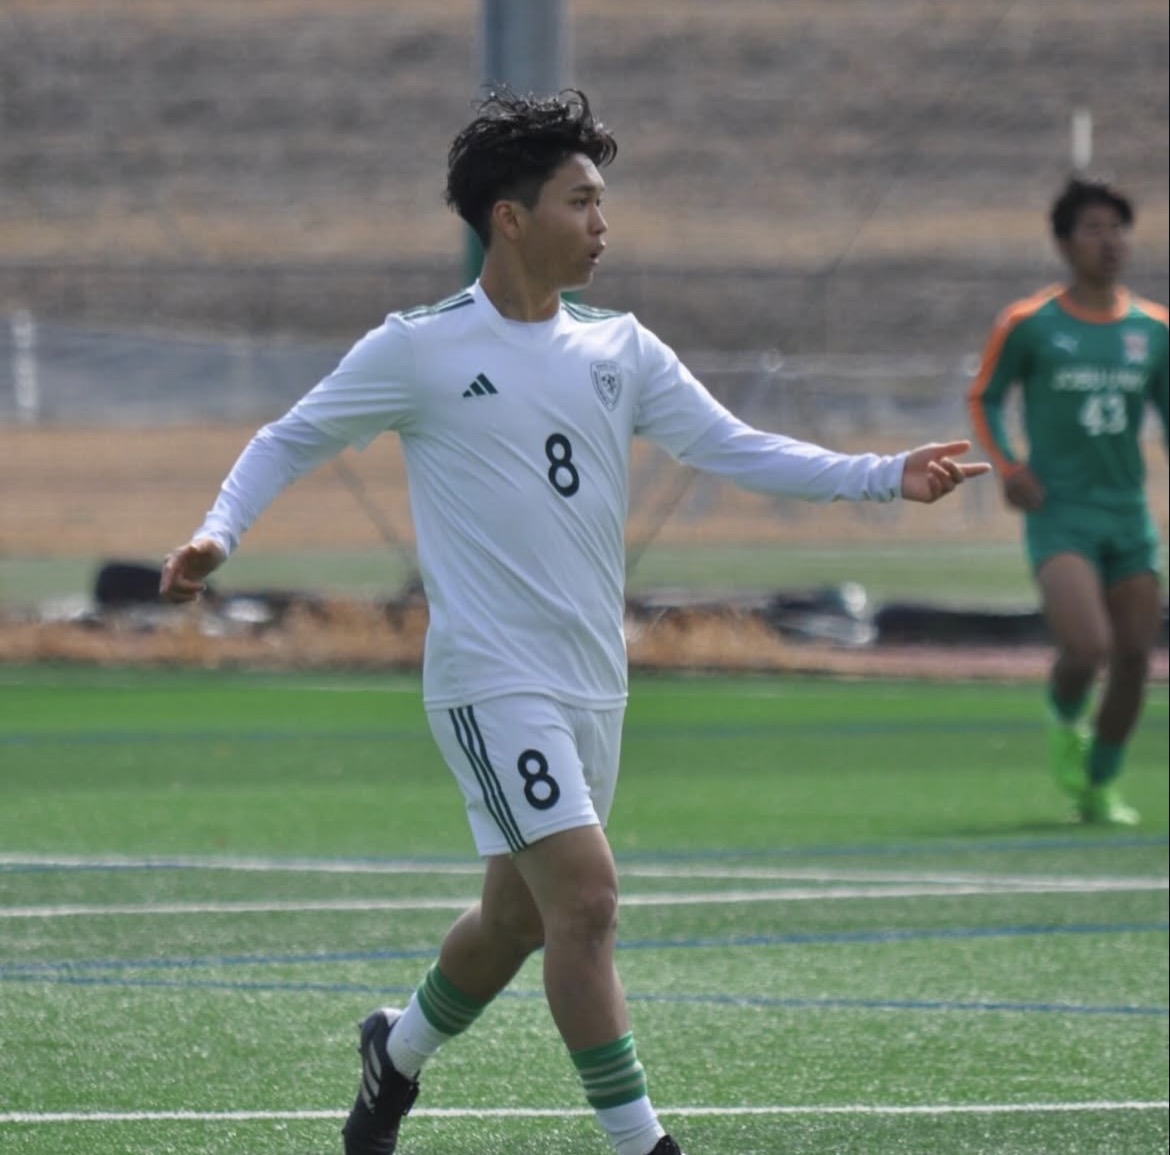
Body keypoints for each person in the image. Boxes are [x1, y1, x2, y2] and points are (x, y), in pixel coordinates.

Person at [161, 87, 990, 1155]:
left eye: (602, 201)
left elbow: (734, 445)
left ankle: (393, 1054)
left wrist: (884, 475)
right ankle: (645, 1145)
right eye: (581, 201)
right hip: (489, 679)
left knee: (516, 919)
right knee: (588, 902)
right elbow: (286, 437)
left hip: (595, 679)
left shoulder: (621, 349)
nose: (604, 223)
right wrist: (219, 532)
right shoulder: (419, 348)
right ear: (511, 219)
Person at [968, 175, 1169, 827]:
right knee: (1088, 647)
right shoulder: (1030, 324)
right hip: (1059, 513)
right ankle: (1064, 716)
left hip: (1128, 514)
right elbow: (985, 396)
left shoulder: (1154, 329)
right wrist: (1008, 465)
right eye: (1093, 228)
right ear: (1064, 243)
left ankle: (1100, 785)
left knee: (1136, 657)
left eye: (1118, 228)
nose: (1109, 241)